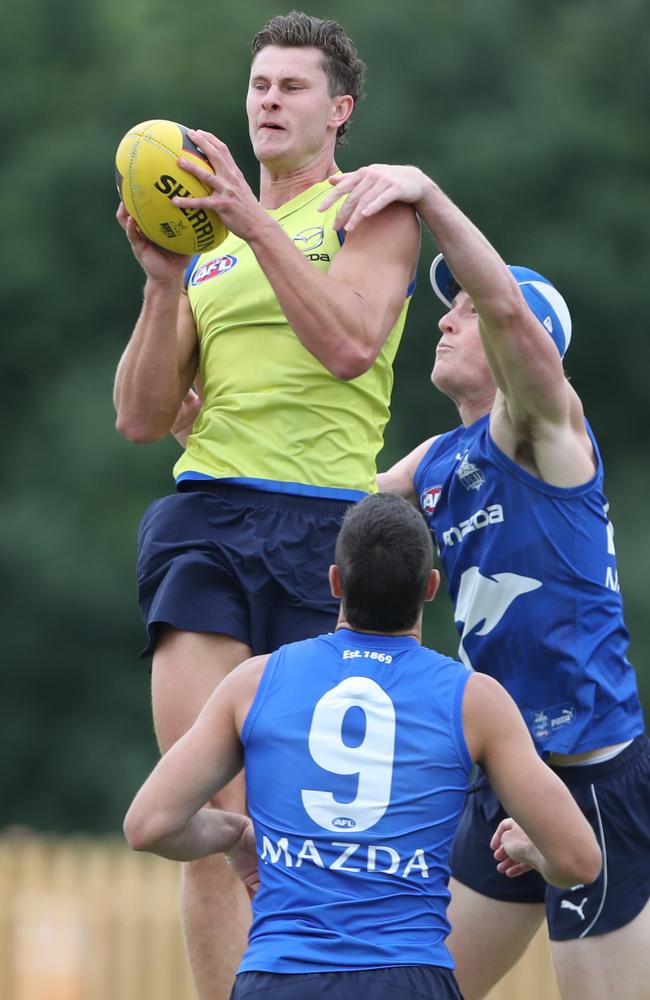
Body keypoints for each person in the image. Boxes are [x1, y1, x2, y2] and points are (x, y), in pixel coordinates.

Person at [113, 14, 419, 999]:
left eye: (291, 86)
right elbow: (140, 416)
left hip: (328, 533)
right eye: (258, 86)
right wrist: (164, 287)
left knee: (311, 830)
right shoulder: (203, 242)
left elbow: (347, 348)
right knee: (209, 812)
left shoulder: (368, 210)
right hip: (206, 518)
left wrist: (253, 222)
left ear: (339, 110)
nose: (268, 102)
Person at [318, 165, 650, 1000]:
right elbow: (330, 505)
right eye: (451, 306)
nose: (447, 316)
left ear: (516, 338)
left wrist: (428, 199)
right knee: (406, 987)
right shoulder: (436, 461)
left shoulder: (545, 427)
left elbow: (504, 307)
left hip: (590, 777)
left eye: (463, 310)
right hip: (503, 774)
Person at [123, 492, 601, 1000]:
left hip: (279, 979)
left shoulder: (256, 683)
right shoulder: (473, 700)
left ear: (334, 582)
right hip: (408, 979)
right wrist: (529, 849)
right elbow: (580, 861)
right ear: (430, 588)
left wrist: (232, 834)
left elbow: (149, 826)